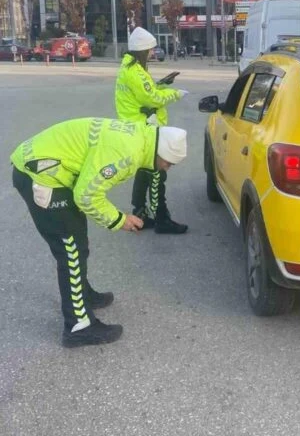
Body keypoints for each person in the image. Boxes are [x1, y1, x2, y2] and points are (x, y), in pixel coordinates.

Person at [11, 118, 188, 348]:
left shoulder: (140, 136)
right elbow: (86, 195)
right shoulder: (127, 153)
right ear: (160, 152)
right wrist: (119, 220)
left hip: (45, 166)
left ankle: (81, 296)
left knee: (78, 242)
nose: (167, 168)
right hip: (41, 175)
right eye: (169, 163)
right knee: (71, 250)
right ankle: (78, 326)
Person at [115, 27, 189, 234]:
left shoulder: (128, 69)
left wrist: (161, 84)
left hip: (135, 127)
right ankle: (161, 219)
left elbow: (146, 93)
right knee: (157, 173)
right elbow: (152, 98)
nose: (152, 53)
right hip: (145, 128)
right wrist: (174, 94)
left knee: (142, 172)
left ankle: (140, 215)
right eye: (150, 49)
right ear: (142, 49)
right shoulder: (136, 72)